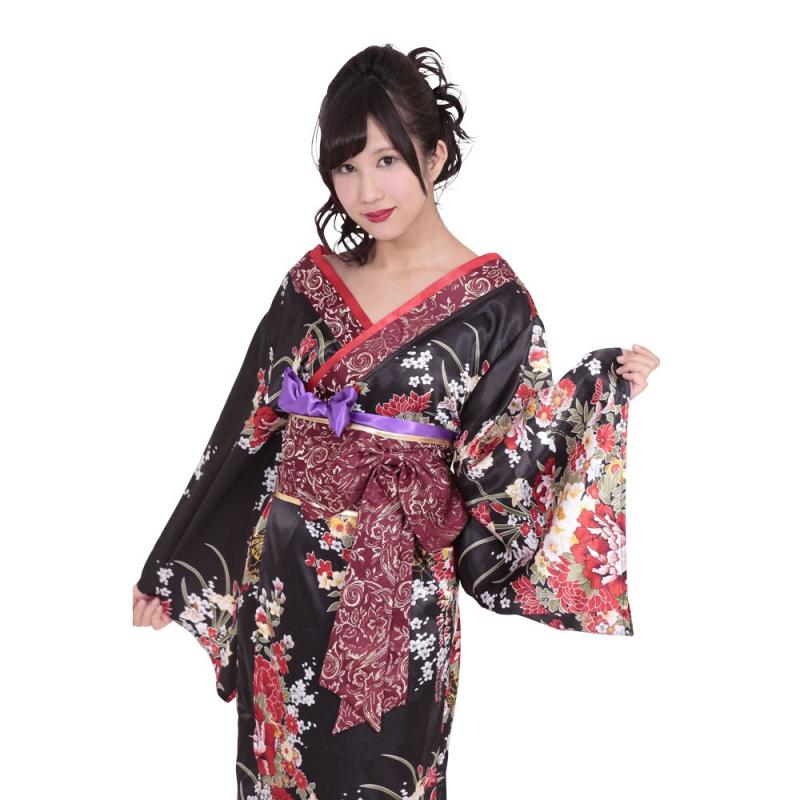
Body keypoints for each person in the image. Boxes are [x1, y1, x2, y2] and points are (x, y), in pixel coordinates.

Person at [132, 43, 659, 800]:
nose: (366, 190)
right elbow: (244, 429)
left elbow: (510, 453)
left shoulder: (496, 306)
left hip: (402, 587)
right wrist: (174, 563)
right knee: (278, 771)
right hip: (283, 585)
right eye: (346, 167)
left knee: (387, 775)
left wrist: (598, 390)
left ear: (435, 155)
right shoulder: (310, 287)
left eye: (387, 160)